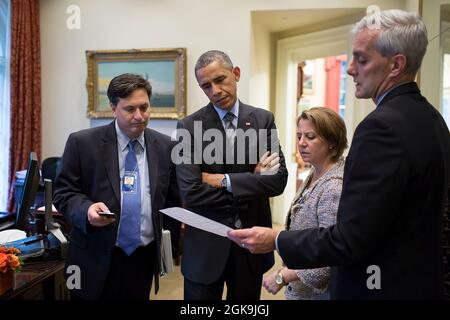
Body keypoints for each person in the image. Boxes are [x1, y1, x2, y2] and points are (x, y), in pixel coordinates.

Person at [228, 10, 450, 299]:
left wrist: (277, 239)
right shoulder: (432, 119)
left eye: (362, 59)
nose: (350, 69)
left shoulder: (380, 127)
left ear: (396, 64)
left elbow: (351, 239)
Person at [53, 73, 180, 300]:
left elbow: (172, 198)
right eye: (130, 109)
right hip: (93, 253)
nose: (139, 116)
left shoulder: (165, 146)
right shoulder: (82, 143)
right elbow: (64, 193)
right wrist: (87, 210)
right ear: (113, 108)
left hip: (142, 255)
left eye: (144, 107)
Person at [175, 50, 288, 300]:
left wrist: (222, 180)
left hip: (251, 244)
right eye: (206, 86)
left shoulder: (262, 120)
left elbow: (278, 180)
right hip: (205, 247)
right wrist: (254, 180)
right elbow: (191, 193)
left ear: (235, 74)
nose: (215, 90)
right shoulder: (188, 127)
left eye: (220, 79)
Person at [263, 107, 347, 300]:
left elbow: (329, 258)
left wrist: (283, 276)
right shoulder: (316, 172)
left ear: (332, 142)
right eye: (299, 136)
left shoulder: (333, 188)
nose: (301, 143)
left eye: (310, 137)